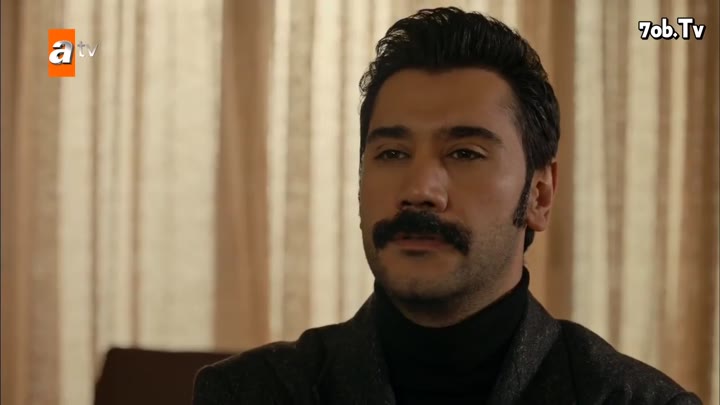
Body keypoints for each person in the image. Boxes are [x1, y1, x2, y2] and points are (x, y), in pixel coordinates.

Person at [193, 7, 701, 405]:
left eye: (465, 153)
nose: (420, 190)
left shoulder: (631, 400)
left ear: (540, 195)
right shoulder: (252, 393)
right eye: (392, 153)